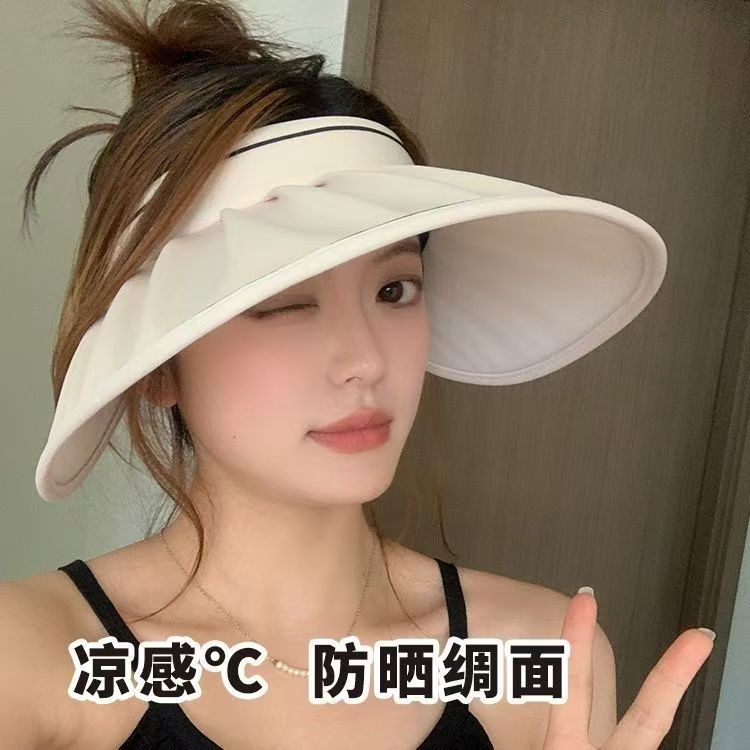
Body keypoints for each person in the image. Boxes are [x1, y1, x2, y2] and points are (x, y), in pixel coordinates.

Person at [0, 0, 714, 748]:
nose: (367, 360)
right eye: (283, 304)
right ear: (156, 366)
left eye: (394, 290)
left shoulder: (540, 655)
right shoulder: (32, 660)